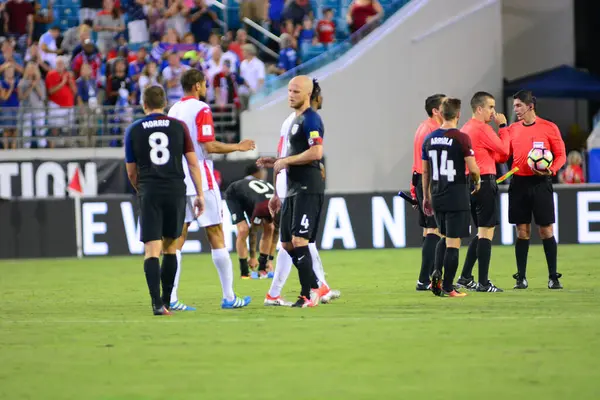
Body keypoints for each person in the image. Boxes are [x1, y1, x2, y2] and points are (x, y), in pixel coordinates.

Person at [167, 68, 255, 310]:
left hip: (177, 179)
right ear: (196, 85)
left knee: (177, 239)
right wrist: (239, 146)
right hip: (201, 179)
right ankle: (228, 297)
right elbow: (209, 146)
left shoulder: (173, 110)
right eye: (204, 83)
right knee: (216, 234)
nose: (206, 87)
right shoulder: (201, 109)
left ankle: (171, 298)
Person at [258, 78, 340, 306]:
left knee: (300, 240)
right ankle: (315, 286)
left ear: (307, 94)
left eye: (295, 91)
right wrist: (279, 161)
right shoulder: (295, 120)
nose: (290, 95)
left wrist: (285, 161)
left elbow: (316, 152)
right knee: (286, 244)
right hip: (293, 188)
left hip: (307, 186)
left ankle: (308, 293)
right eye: (289, 91)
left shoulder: (312, 119)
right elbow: (294, 154)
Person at [124, 85, 205, 316]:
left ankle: (157, 303)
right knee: (171, 248)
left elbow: (131, 171)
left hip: (150, 190)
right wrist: (199, 194)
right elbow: (192, 163)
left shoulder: (134, 129)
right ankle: (168, 301)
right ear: (165, 103)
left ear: (144, 104)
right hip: (175, 190)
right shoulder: (178, 127)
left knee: (152, 250)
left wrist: (142, 189)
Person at [507, 90, 566, 289]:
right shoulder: (512, 129)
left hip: (541, 183)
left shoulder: (549, 128)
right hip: (519, 183)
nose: (516, 110)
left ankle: (553, 277)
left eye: (518, 106)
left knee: (546, 230)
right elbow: (503, 153)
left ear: (530, 106)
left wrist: (552, 170)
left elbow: (561, 155)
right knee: (522, 232)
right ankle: (520, 278)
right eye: (515, 106)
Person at [422, 98, 480, 297]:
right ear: (457, 115)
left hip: (437, 194)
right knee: (454, 242)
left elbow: (425, 172)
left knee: (443, 236)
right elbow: (472, 168)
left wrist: (426, 196)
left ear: (441, 114)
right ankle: (448, 287)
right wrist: (478, 181)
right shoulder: (461, 138)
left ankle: (436, 277)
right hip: (457, 194)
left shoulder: (429, 139)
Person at [455, 92, 510, 292]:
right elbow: (504, 152)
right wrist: (503, 127)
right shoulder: (483, 129)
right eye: (490, 107)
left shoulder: (465, 129)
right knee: (486, 233)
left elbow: (495, 155)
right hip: (485, 181)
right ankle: (484, 282)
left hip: (469, 183)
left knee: (480, 233)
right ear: (479, 109)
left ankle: (465, 276)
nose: (493, 112)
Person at [411, 94, 445, 291]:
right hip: (430, 181)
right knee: (434, 229)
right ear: (435, 110)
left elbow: (416, 160)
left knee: (428, 230)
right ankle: (424, 279)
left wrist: (413, 186)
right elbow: (428, 163)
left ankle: (431, 274)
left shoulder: (422, 127)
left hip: (420, 179)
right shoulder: (432, 131)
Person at [224, 164, 276, 279]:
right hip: (234, 195)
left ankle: (262, 268)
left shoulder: (276, 201)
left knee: (270, 228)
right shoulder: (263, 207)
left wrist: (270, 260)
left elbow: (275, 233)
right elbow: (253, 232)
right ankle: (244, 271)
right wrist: (252, 257)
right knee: (244, 230)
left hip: (252, 198)